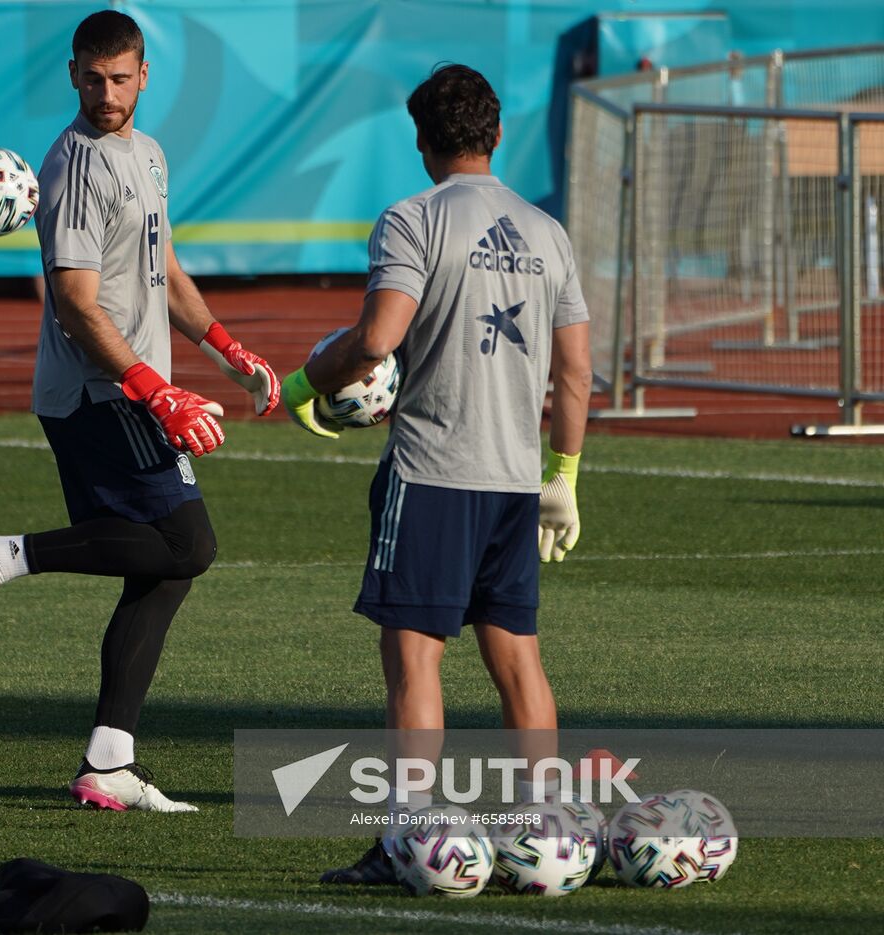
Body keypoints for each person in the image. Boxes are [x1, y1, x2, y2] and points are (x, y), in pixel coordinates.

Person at [0, 9, 278, 813]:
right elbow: (79, 306)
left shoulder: (146, 155)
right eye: (93, 78)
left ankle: (109, 760)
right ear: (72, 75)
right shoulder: (76, 166)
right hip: (99, 391)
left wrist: (229, 349)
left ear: (145, 74)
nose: (107, 93)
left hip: (129, 387)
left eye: (121, 78)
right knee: (187, 544)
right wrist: (156, 388)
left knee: (162, 566)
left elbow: (163, 264)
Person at [279, 64, 592, 883]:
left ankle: (405, 843)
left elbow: (379, 337)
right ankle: (546, 837)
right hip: (515, 478)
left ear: (422, 140)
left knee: (415, 658)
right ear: (495, 135)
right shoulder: (545, 229)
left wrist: (312, 378)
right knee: (518, 656)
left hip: (433, 471)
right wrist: (563, 472)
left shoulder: (413, 218)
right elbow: (577, 372)